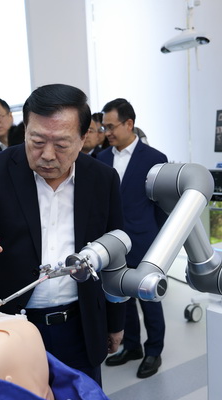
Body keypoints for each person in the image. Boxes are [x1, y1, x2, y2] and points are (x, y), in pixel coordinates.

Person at [0, 84, 125, 386]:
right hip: (12, 325)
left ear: (83, 138)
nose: (47, 155)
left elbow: (115, 252)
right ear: (25, 130)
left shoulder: (102, 178)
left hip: (80, 325)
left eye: (62, 144)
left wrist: (116, 321)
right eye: (37, 141)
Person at [98, 98, 168, 379]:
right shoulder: (101, 159)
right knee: (120, 297)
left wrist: (159, 243)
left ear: (129, 124)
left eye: (111, 126)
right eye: (104, 127)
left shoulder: (154, 159)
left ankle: (154, 351)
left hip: (144, 240)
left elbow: (162, 206)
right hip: (114, 242)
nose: (107, 132)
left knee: (149, 298)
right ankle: (132, 346)